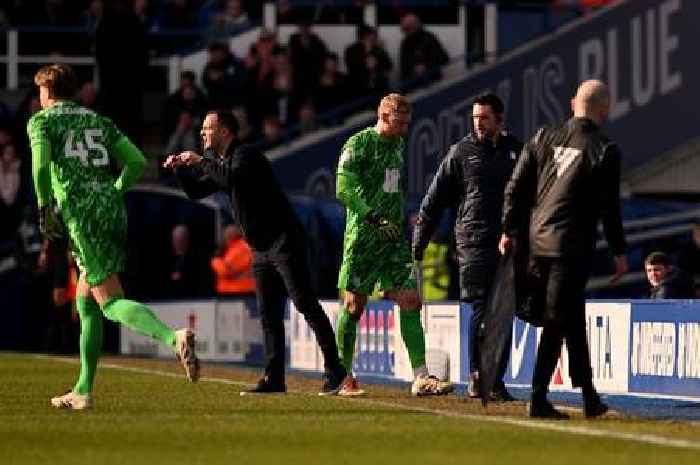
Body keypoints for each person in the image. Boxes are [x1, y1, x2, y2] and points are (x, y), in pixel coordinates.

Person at [28, 64, 199, 411]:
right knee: (86, 301)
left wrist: (45, 207)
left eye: (40, 93)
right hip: (111, 208)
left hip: (81, 215)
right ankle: (82, 389)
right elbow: (136, 161)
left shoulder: (42, 121)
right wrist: (112, 192)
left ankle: (173, 337)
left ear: (47, 93)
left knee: (107, 301)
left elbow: (41, 166)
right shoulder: (98, 120)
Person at [163, 110, 348, 395]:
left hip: (284, 240)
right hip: (260, 247)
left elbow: (229, 179)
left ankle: (336, 371)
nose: (202, 133)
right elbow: (197, 192)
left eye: (207, 128)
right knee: (268, 314)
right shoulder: (223, 162)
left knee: (304, 303)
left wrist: (199, 160)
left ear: (225, 132)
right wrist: (179, 170)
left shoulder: (246, 155)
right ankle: (274, 379)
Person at [499, 79, 628, 419]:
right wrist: (619, 250)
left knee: (571, 317)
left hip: (537, 243)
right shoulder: (604, 148)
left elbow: (514, 188)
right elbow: (609, 208)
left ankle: (589, 399)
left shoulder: (542, 136)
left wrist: (510, 230)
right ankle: (538, 398)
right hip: (570, 247)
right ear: (605, 110)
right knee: (559, 319)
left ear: (573, 104)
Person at [335, 93, 453, 397]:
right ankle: (341, 375)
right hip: (362, 237)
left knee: (411, 299)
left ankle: (421, 377)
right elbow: (343, 189)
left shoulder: (399, 145)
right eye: (400, 122)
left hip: (392, 240)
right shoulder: (358, 144)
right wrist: (372, 217)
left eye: (408, 123)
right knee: (353, 305)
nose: (405, 129)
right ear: (384, 116)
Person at [412, 93, 522, 401]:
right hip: (473, 241)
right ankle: (477, 376)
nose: (478, 124)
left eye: (484, 118)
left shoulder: (517, 150)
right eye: (475, 118)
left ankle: (495, 380)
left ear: (500, 119)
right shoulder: (461, 153)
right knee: (481, 307)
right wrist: (419, 242)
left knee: (503, 311)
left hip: (509, 243)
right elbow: (433, 201)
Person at [211, 223, 255, 296]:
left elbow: (225, 271)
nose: (224, 236)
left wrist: (215, 261)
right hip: (234, 290)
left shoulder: (241, 247)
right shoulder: (231, 247)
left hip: (239, 290)